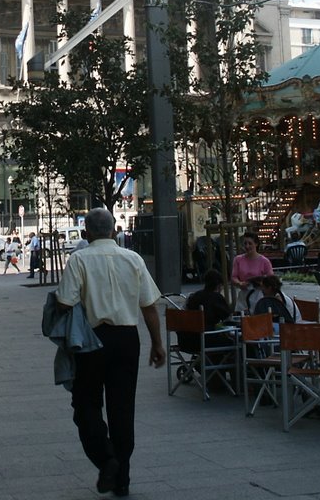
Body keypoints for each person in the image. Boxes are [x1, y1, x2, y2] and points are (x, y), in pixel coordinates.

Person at [55, 207, 165, 497]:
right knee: (122, 408)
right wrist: (157, 343)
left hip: (92, 341)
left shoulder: (78, 259)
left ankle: (107, 460)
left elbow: (65, 303)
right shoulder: (133, 259)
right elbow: (149, 306)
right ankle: (123, 479)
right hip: (128, 338)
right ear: (115, 230)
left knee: (85, 404)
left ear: (85, 233)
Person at [179, 269, 232, 350]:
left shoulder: (194, 296)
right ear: (219, 285)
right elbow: (227, 317)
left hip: (185, 341)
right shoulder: (216, 297)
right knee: (235, 341)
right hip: (204, 340)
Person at [230, 233, 273, 312]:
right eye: (245, 243)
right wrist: (239, 283)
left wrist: (262, 284)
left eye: (250, 243)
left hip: (259, 295)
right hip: (243, 294)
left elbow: (271, 280)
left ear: (256, 244)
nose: (247, 246)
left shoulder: (265, 261)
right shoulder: (238, 260)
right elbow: (233, 277)